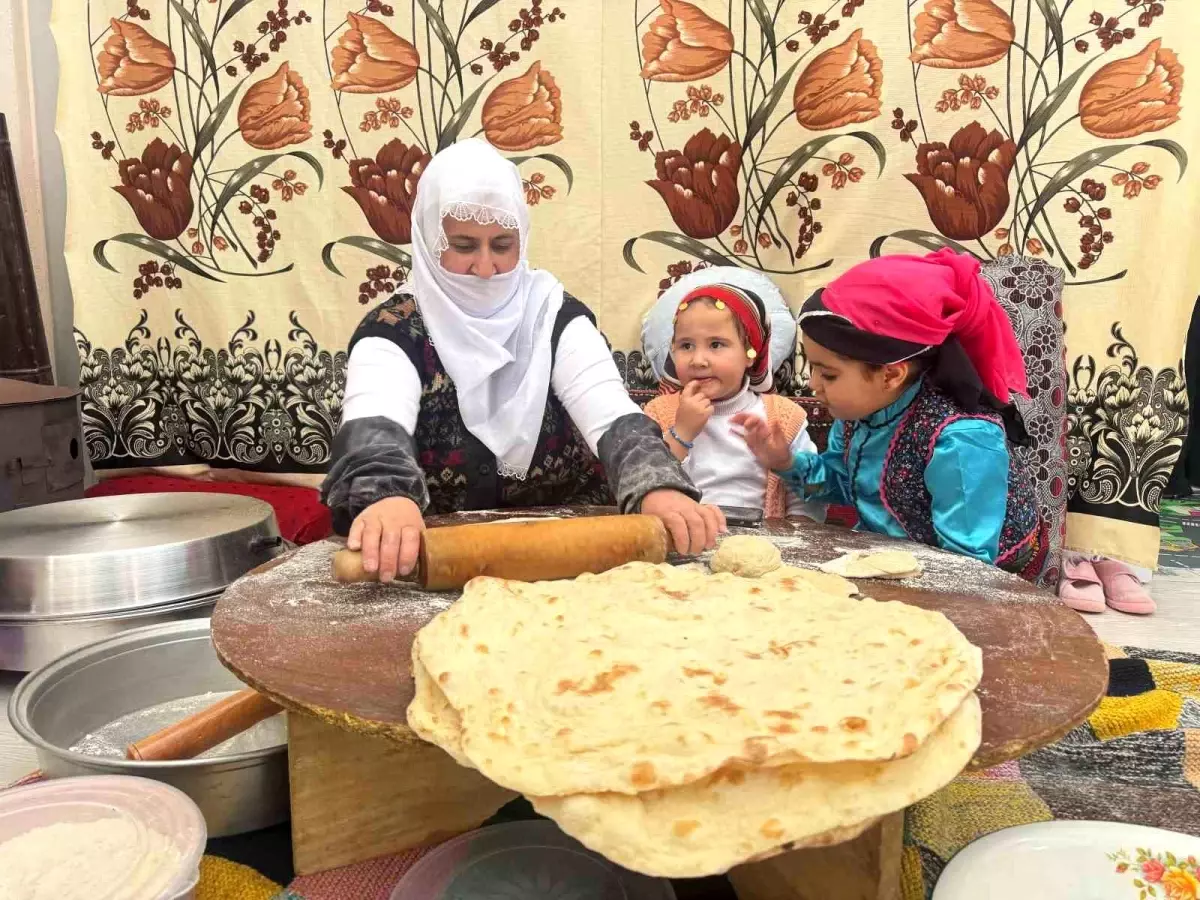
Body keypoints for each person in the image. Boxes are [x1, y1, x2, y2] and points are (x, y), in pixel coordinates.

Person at [322, 139, 723, 580]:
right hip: (433, 559)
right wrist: (387, 496)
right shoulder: (394, 330)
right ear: (429, 240)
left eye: (501, 244)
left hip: (573, 558)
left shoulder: (552, 316)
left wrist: (656, 484)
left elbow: (612, 417)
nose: (486, 268)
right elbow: (374, 422)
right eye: (463, 245)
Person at [736, 249, 1047, 577]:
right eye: (812, 367)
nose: (813, 385)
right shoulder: (857, 414)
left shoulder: (962, 439)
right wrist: (785, 462)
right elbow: (846, 484)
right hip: (901, 555)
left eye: (828, 374)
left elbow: (965, 568)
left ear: (891, 374)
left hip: (986, 576)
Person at [643, 278, 824, 521]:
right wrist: (682, 433)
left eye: (716, 344)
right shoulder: (659, 413)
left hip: (763, 549)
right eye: (686, 345)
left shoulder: (784, 418)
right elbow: (643, 485)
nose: (698, 360)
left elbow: (811, 500)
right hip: (683, 543)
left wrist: (785, 463)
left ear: (751, 353)